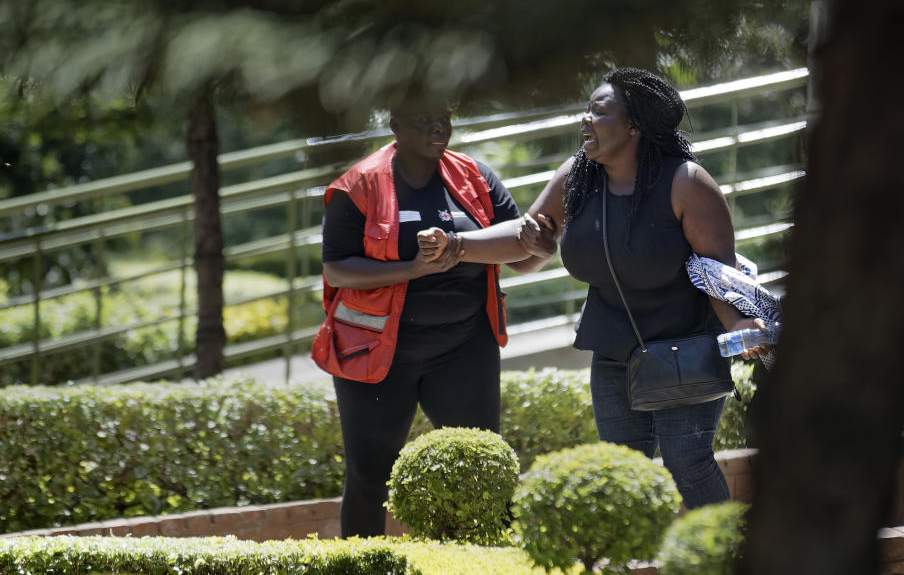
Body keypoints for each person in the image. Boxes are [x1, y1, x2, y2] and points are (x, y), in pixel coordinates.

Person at [423, 67, 764, 509]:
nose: (585, 120)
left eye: (598, 112)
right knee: (622, 468)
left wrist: (740, 323)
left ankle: (727, 555)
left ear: (634, 125)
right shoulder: (577, 176)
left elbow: (718, 274)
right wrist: (455, 245)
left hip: (686, 346)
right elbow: (527, 241)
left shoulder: (686, 183)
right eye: (586, 110)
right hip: (613, 349)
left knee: (688, 462)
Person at [317, 96, 543, 538]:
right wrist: (412, 269)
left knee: (481, 466)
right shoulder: (359, 184)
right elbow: (336, 268)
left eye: (445, 119)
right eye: (425, 119)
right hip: (379, 352)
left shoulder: (475, 177)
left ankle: (486, 562)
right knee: (370, 478)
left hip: (464, 345)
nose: (439, 127)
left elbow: (518, 240)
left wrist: (534, 239)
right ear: (396, 123)